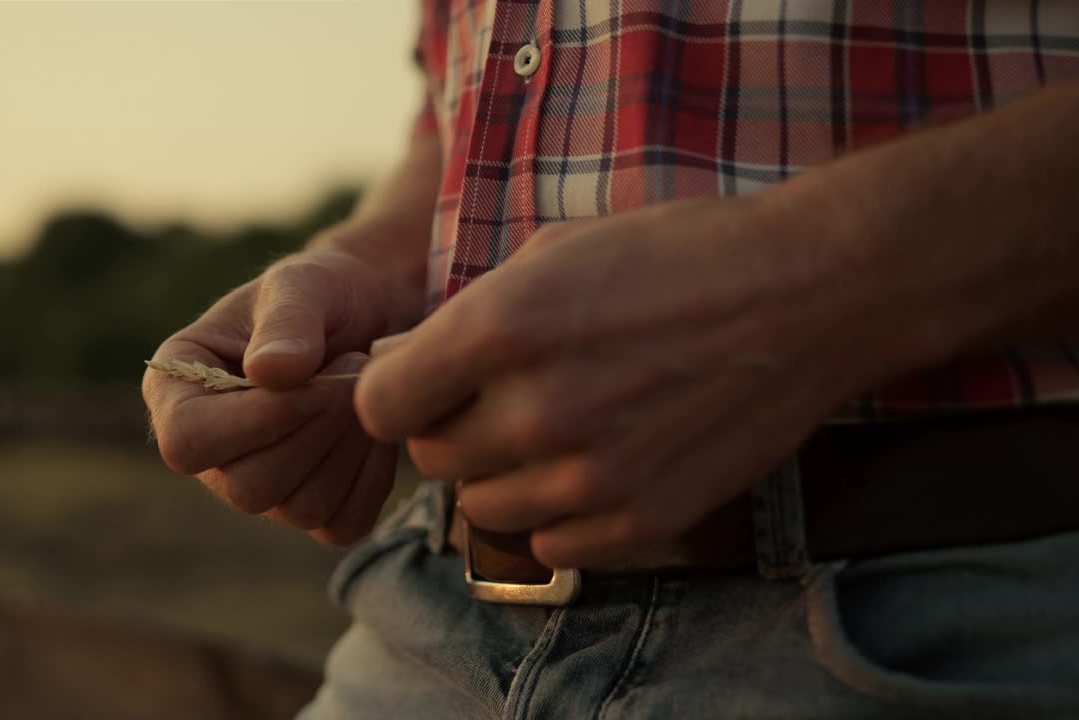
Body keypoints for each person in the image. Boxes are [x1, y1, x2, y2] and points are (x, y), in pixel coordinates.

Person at [143, 1, 1079, 717]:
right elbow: (459, 113)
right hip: (430, 634)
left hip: (969, 628)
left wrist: (809, 283)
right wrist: (368, 266)